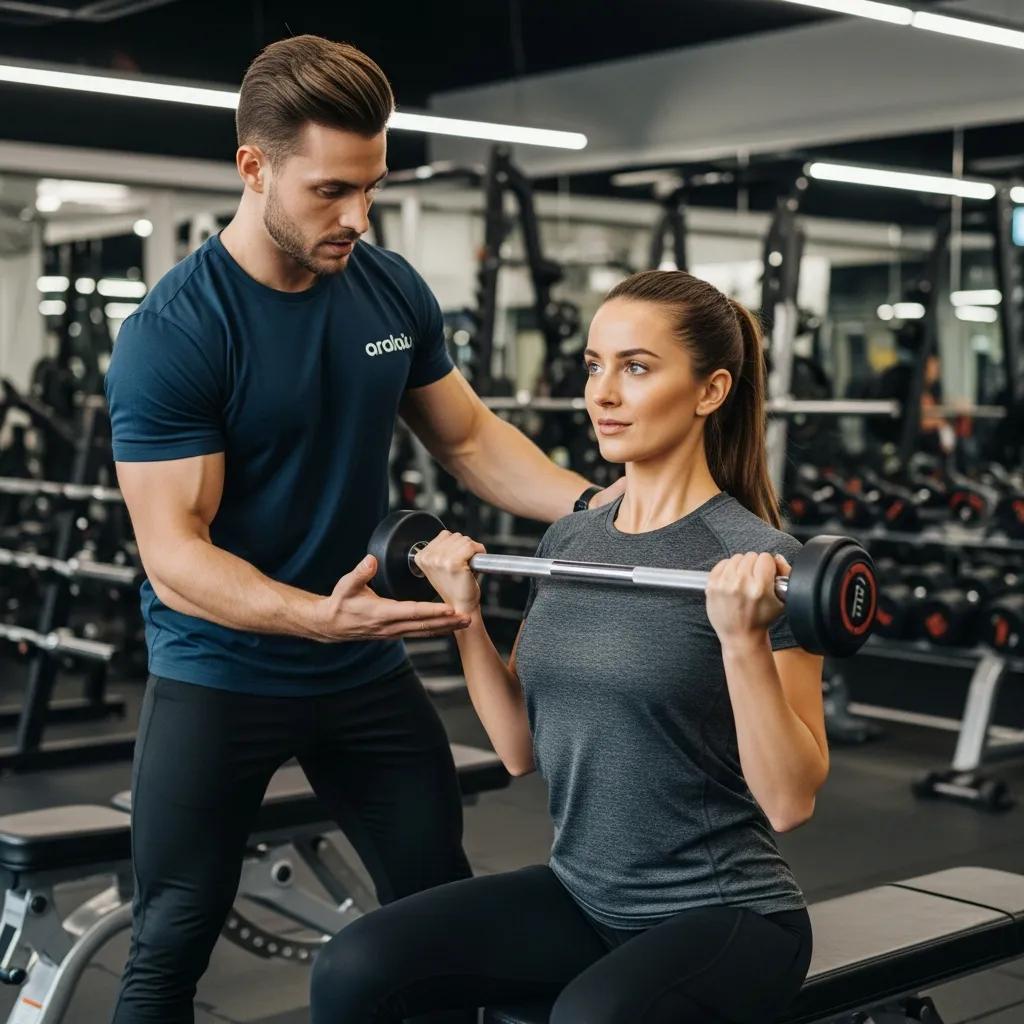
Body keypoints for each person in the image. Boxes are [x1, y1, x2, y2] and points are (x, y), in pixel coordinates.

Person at [103, 34, 622, 1024]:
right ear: (252, 167)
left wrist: (601, 505)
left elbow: (468, 437)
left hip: (360, 675)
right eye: (330, 191)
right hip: (221, 672)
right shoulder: (177, 333)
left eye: (371, 187)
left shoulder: (386, 290)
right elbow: (175, 555)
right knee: (170, 937)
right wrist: (312, 617)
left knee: (435, 912)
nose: (357, 216)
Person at [309, 271, 827, 1024]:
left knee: (589, 1019)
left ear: (710, 391)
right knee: (355, 967)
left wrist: (744, 638)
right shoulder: (570, 540)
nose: (603, 393)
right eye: (594, 365)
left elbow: (789, 801)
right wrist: (466, 617)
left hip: (726, 914)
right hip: (583, 893)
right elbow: (520, 747)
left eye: (637, 367)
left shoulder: (761, 561)